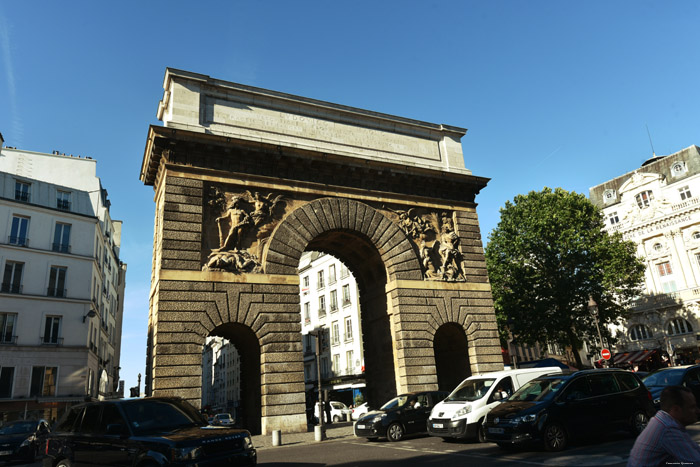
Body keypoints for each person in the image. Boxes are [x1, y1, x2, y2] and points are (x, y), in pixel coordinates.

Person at [627, 385, 700, 466]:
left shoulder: (661, 420)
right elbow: (695, 462)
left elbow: (694, 450)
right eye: (692, 407)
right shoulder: (668, 429)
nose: (697, 411)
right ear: (676, 409)